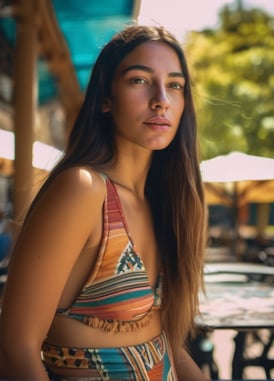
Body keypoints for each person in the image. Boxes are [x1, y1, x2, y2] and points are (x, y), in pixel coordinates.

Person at [0, 25, 209, 381]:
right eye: (140, 80)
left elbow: (166, 342)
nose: (161, 99)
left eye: (175, 85)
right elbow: (14, 347)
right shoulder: (83, 190)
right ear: (104, 99)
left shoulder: (166, 203)